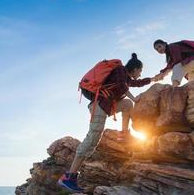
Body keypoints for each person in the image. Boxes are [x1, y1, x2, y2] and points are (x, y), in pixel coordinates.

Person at [58, 53, 158, 193]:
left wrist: (152, 79)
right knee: (92, 139)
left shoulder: (125, 76)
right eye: (140, 71)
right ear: (135, 68)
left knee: (127, 104)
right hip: (99, 105)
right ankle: (69, 177)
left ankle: (124, 133)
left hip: (105, 106)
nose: (140, 74)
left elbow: (134, 83)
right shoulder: (120, 71)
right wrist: (135, 99)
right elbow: (122, 87)